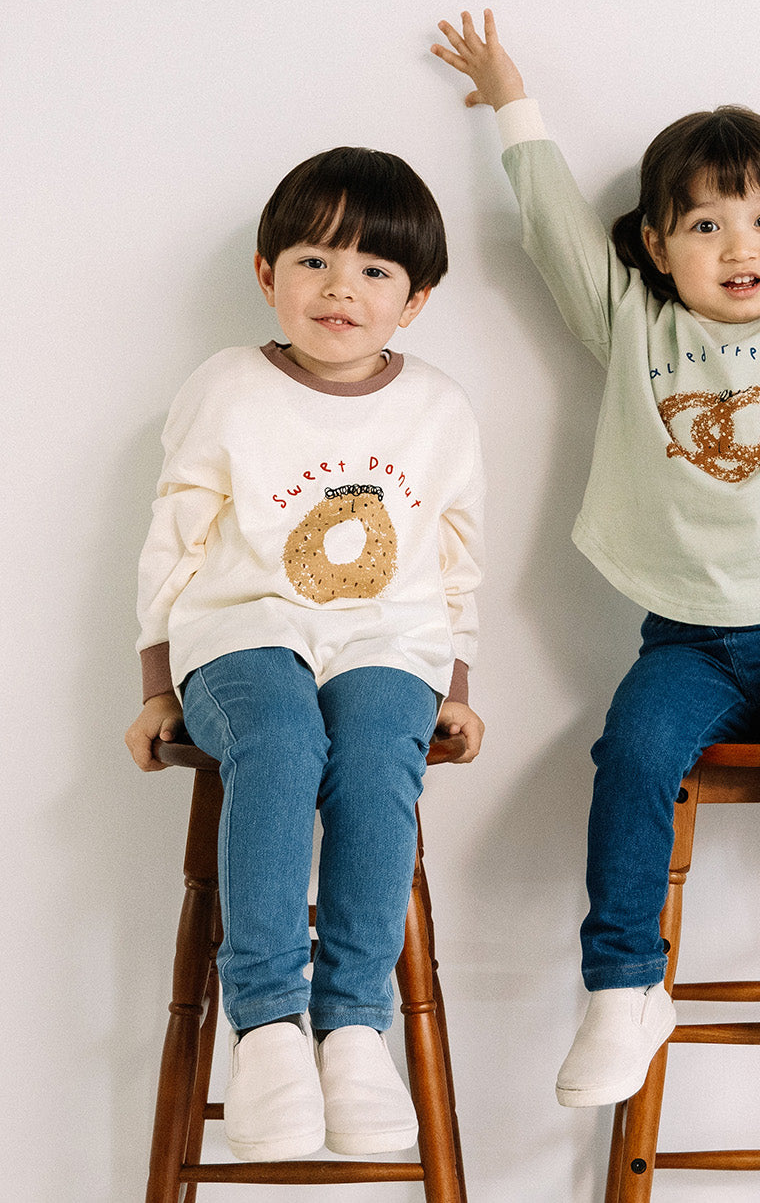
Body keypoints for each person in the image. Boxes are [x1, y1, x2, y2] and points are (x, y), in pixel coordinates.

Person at [432, 10, 760, 1135]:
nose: (738, 245)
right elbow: (551, 226)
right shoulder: (632, 324)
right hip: (685, 638)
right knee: (630, 757)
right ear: (658, 247)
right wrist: (512, 101)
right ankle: (623, 990)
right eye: (704, 225)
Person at [125, 145, 484, 1163]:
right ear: (266, 273)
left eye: (375, 269)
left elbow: (456, 552)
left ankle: (355, 1026)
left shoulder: (440, 408)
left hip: (389, 637)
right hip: (242, 631)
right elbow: (176, 535)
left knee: (374, 761)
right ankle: (270, 1026)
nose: (341, 289)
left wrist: (455, 680)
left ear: (415, 300)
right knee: (281, 745)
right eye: (315, 261)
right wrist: (156, 682)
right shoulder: (227, 387)